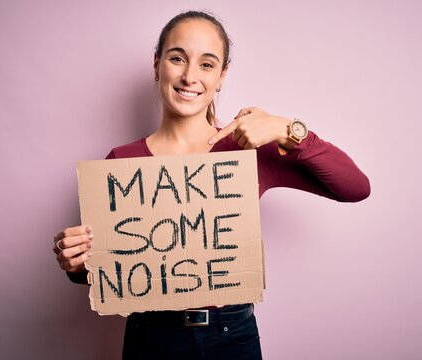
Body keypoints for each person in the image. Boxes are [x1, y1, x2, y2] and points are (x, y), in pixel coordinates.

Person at [52, 10, 370, 360]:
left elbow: (355, 188)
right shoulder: (121, 161)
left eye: (206, 64)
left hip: (230, 335)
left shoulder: (247, 150)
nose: (189, 76)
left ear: (222, 76)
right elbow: (108, 271)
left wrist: (289, 131)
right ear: (157, 65)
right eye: (177, 58)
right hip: (151, 337)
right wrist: (77, 264)